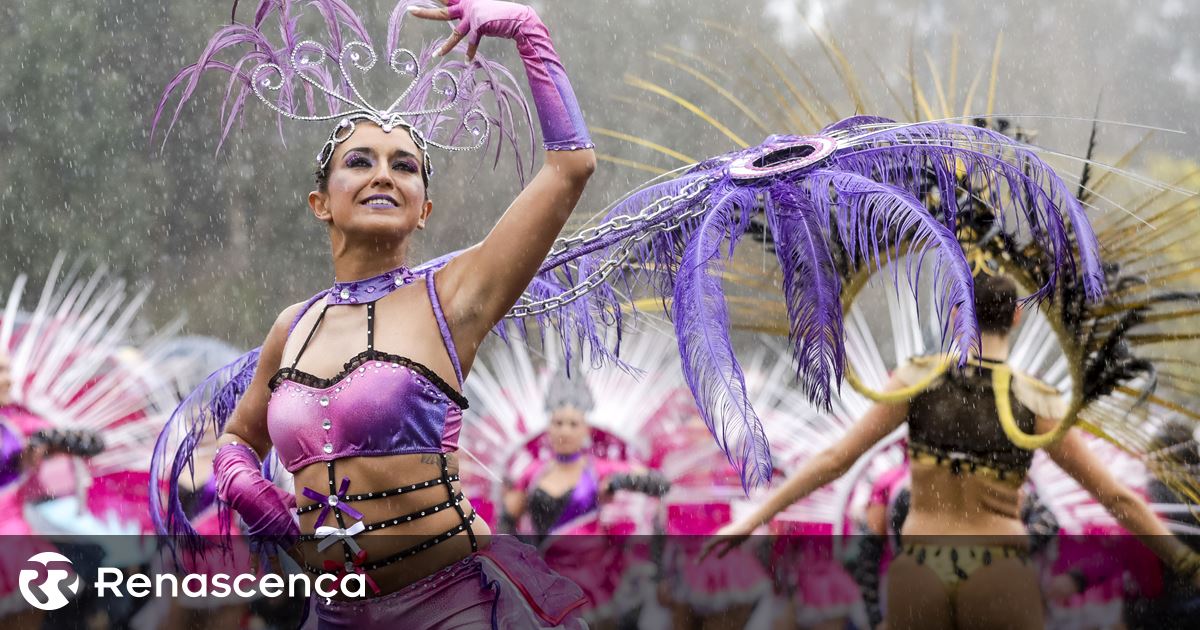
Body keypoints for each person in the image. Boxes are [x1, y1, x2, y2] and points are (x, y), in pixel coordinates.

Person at [156, 0, 597, 626]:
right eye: (359, 161)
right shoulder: (293, 327)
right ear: (320, 202)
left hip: (455, 605)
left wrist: (528, 31)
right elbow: (236, 440)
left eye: (405, 166)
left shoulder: (455, 297)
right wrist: (261, 502)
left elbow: (571, 167)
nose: (382, 174)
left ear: (425, 210)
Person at [705, 274, 1200, 630]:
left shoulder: (917, 379)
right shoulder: (1036, 399)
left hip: (919, 569)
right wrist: (1184, 561)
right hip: (999, 569)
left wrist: (749, 519)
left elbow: (834, 459)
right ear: (1018, 315)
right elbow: (1118, 497)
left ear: (957, 310)